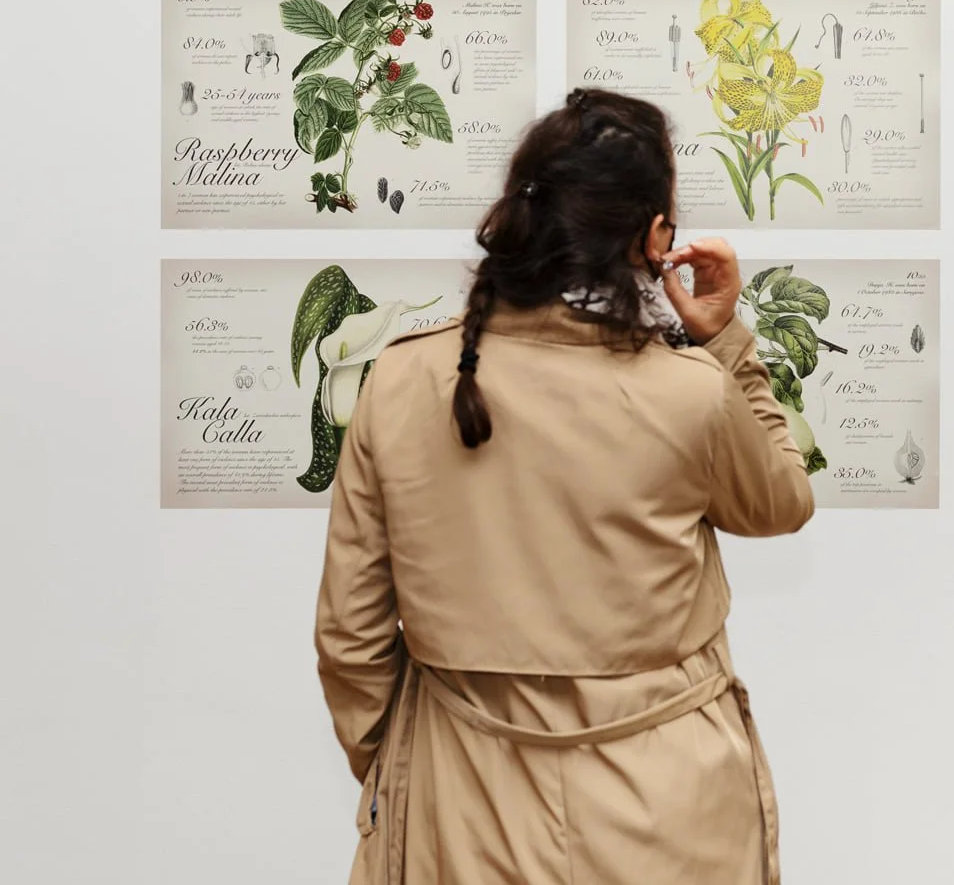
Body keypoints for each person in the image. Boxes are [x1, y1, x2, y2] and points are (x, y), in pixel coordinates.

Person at [314, 88, 814, 884]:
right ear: (654, 238)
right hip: (669, 810)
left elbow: (352, 638)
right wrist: (725, 340)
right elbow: (782, 501)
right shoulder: (692, 391)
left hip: (461, 802)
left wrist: (402, 768)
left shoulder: (402, 377)